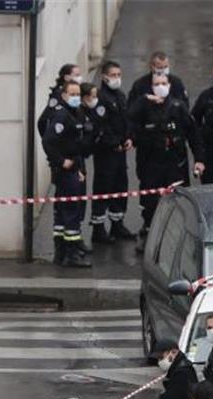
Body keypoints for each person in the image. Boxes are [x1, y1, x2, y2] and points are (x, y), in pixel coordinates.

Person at [125, 73, 206, 240]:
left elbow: (193, 134)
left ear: (169, 85)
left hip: (175, 164)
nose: (160, 86)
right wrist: (142, 102)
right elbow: (129, 122)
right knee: (149, 203)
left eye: (164, 83)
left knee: (179, 201)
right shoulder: (143, 107)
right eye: (157, 83)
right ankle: (149, 233)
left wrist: (199, 159)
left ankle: (179, 235)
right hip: (150, 164)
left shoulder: (178, 107)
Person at [42, 79, 92, 268]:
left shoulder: (77, 112)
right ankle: (70, 254)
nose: (75, 97)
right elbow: (48, 141)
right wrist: (61, 161)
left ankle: (62, 252)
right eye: (71, 94)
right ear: (63, 96)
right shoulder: (62, 116)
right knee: (71, 210)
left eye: (78, 94)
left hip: (74, 165)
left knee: (64, 212)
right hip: (66, 169)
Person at [90, 60, 136, 242]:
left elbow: (126, 120)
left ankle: (117, 223)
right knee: (104, 187)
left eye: (119, 75)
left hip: (120, 151)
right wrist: (113, 143)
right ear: (104, 77)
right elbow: (101, 127)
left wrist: (129, 138)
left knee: (119, 186)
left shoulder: (120, 96)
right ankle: (98, 228)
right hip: (106, 153)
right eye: (113, 75)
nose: (117, 79)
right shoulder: (101, 98)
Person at [37, 63, 81, 139]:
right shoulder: (58, 95)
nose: (80, 78)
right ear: (67, 77)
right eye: (76, 75)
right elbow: (44, 120)